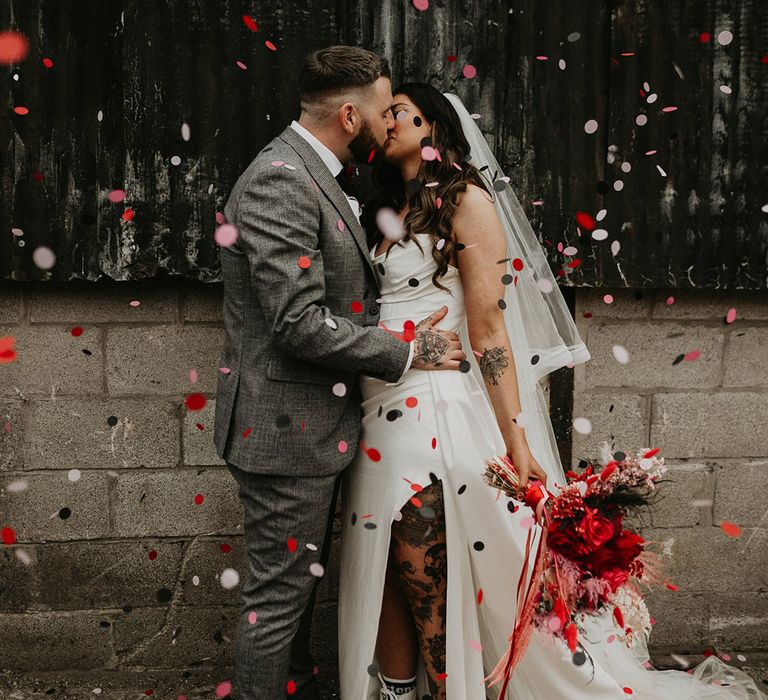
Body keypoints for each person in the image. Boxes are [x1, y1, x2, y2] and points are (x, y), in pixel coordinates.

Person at [337, 82, 767, 700]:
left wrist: (516, 442)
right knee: (385, 572)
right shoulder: (385, 205)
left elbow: (488, 328)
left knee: (422, 569)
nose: (388, 120)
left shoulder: (468, 203)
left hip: (429, 411)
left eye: (400, 111)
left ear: (432, 128)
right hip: (379, 405)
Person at [213, 49, 467, 700]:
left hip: (311, 429)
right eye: (384, 112)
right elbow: (296, 321)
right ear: (350, 114)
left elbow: (339, 294)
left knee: (293, 600)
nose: (390, 125)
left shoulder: (321, 175)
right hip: (285, 434)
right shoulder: (282, 179)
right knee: (277, 605)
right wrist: (406, 352)